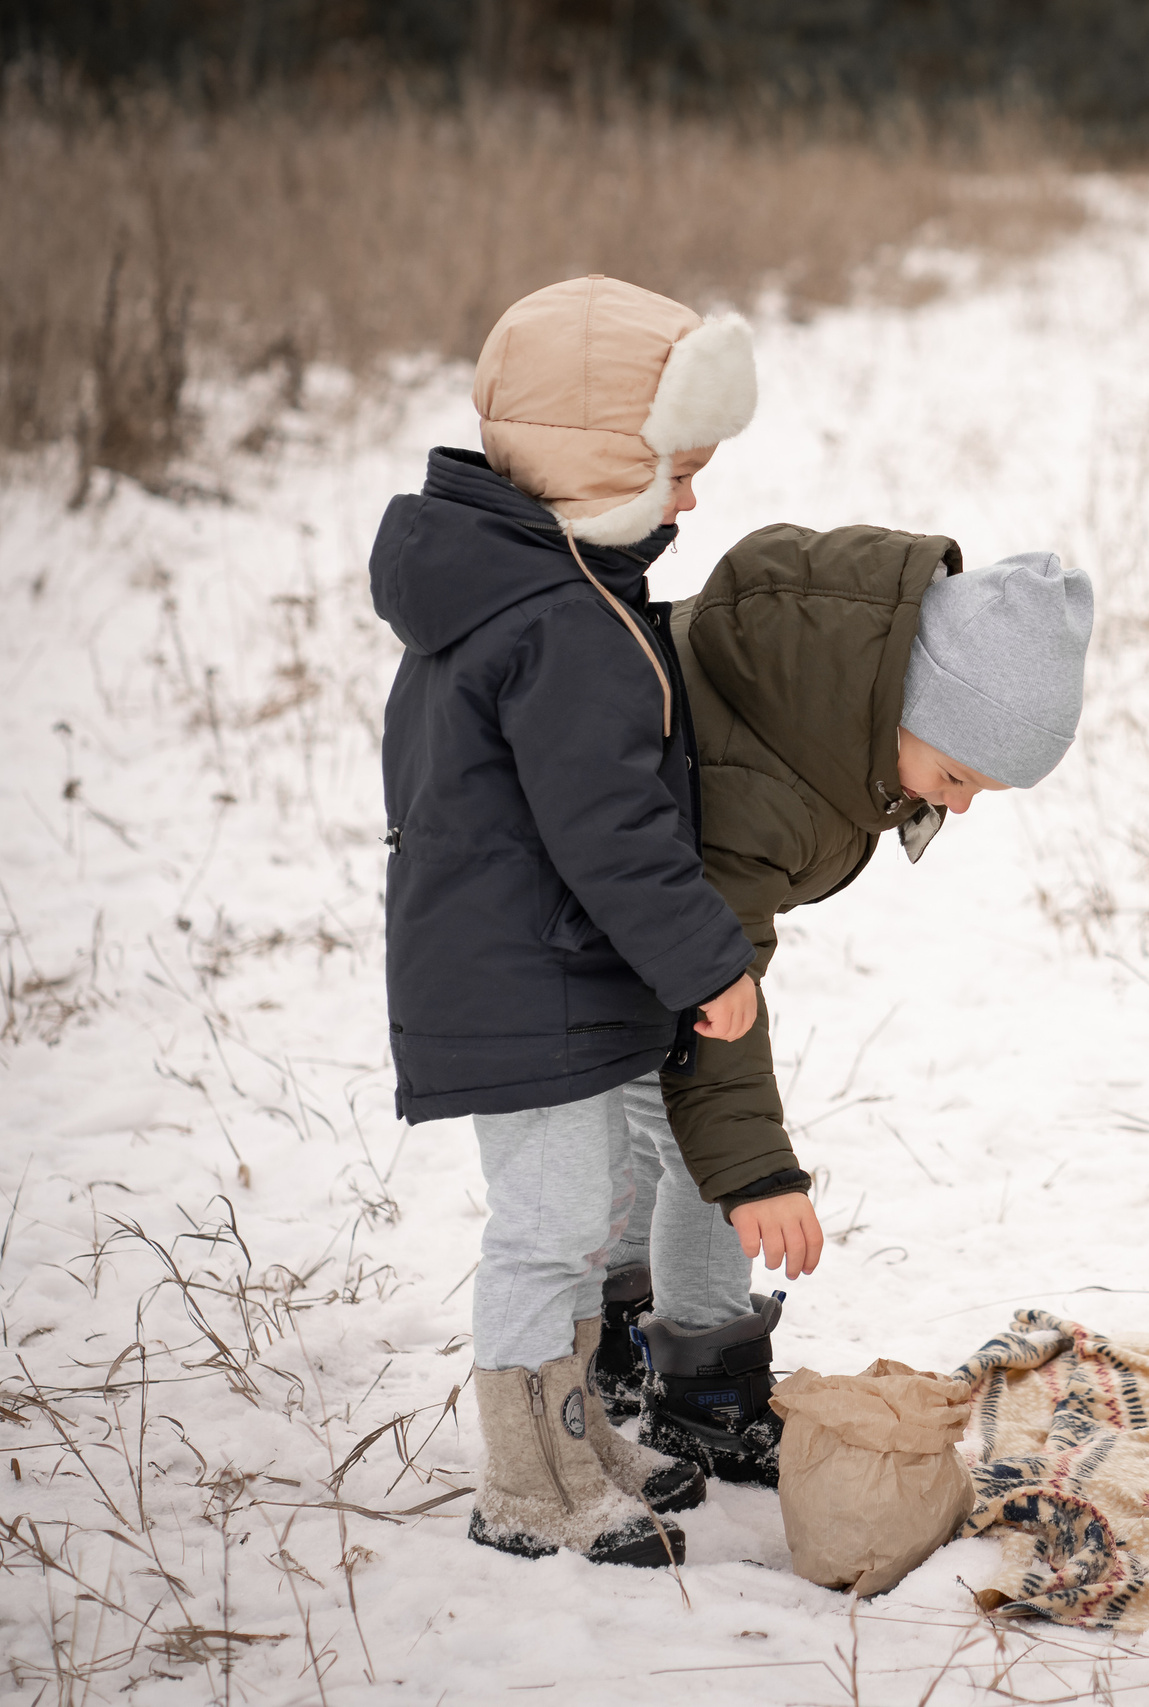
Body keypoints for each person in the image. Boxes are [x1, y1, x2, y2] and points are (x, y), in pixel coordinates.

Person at [371, 275, 770, 1567]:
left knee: (578, 1215)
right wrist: (710, 964)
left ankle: (577, 1427)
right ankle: (525, 1483)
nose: (693, 499)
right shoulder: (555, 622)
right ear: (603, 460)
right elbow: (610, 831)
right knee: (546, 1229)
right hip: (523, 977)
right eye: (678, 468)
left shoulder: (523, 591)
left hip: (530, 965)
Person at [584, 526, 1095, 1486]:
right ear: (906, 698)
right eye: (956, 776)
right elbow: (713, 975)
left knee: (640, 1102)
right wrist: (756, 1171)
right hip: (599, 922)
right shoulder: (764, 773)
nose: (964, 806)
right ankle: (704, 1388)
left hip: (608, 918)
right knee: (704, 1152)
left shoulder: (816, 694)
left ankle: (616, 1326)